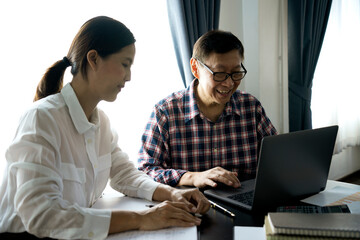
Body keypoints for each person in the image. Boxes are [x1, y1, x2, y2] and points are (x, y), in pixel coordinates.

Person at [0, 16, 210, 239]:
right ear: (93, 59)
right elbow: (42, 215)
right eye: (124, 64)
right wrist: (142, 220)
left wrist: (172, 193)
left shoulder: (101, 122)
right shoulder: (41, 118)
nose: (129, 77)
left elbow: (124, 174)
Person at [138, 30, 278, 188]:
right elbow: (145, 172)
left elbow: (278, 159)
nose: (229, 83)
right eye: (220, 74)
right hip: (189, 208)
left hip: (245, 203)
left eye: (236, 73)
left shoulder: (251, 108)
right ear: (195, 68)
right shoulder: (166, 113)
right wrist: (191, 177)